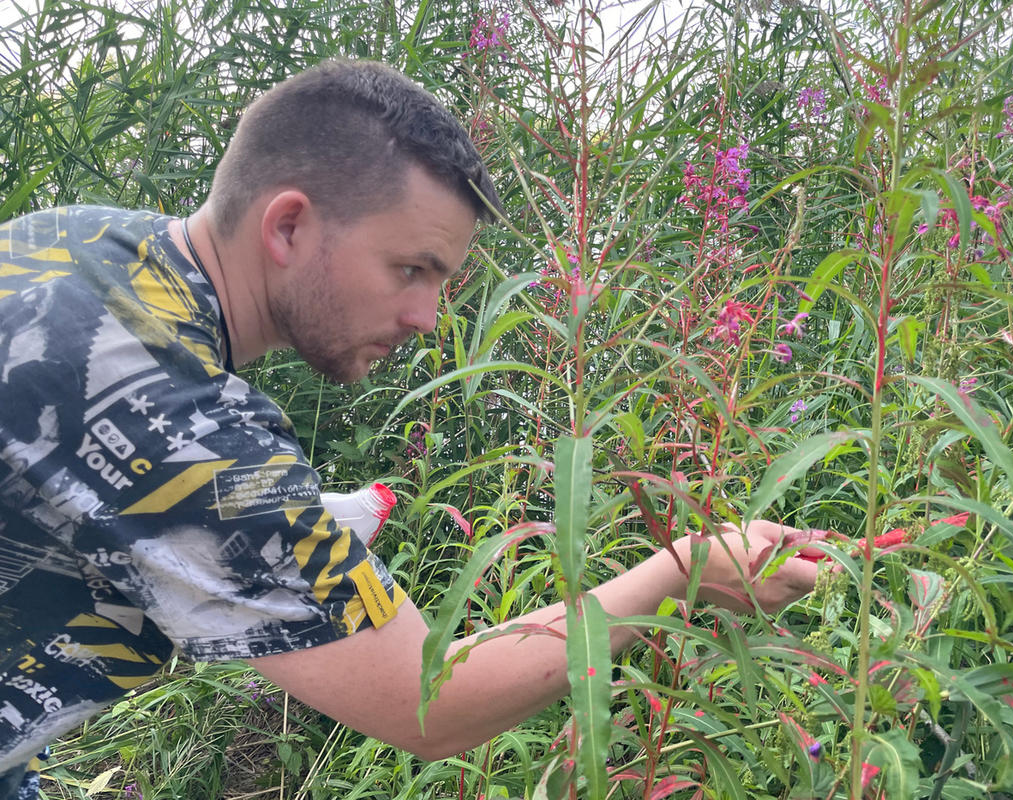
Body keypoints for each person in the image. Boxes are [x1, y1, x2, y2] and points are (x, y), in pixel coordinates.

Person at [0, 59, 824, 796]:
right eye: (410, 269)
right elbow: (431, 703)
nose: (428, 317)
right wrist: (678, 572)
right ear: (287, 226)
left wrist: (294, 518)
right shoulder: (174, 409)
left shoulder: (75, 242)